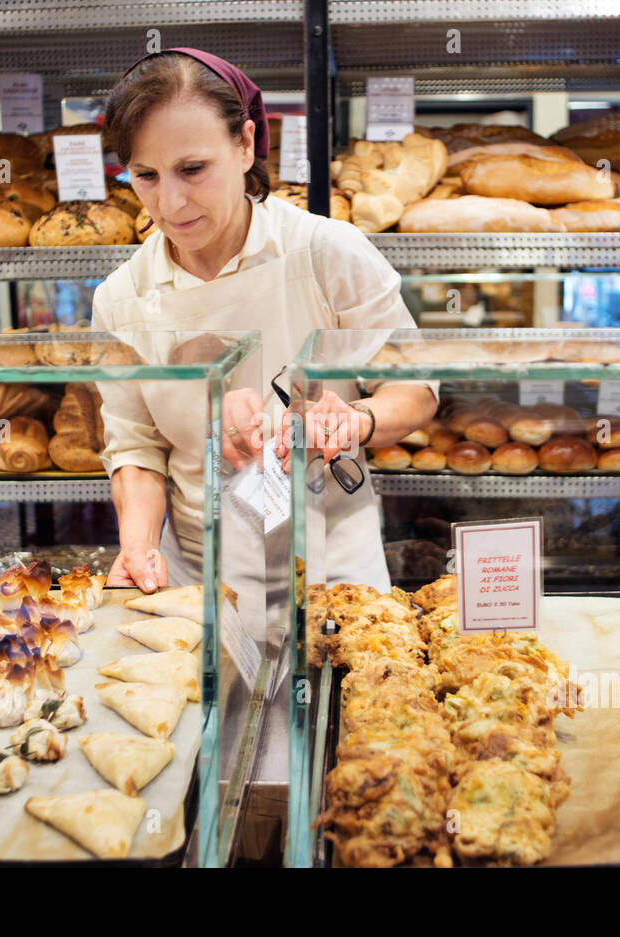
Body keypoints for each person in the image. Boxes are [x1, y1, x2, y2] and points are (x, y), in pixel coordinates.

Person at [94, 47, 437, 596]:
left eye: (193, 169)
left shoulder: (326, 252)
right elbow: (136, 448)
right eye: (146, 175)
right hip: (200, 579)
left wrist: (355, 419)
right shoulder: (122, 298)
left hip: (334, 569)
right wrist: (138, 545)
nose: (171, 201)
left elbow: (415, 389)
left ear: (247, 143)